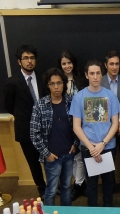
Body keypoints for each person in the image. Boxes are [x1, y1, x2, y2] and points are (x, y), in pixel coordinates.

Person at [70, 60, 119, 207]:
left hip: (108, 146)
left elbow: (115, 124)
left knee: (108, 182)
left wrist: (102, 145)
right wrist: (91, 147)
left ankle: (108, 209)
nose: (95, 76)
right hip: (88, 148)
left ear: (101, 74)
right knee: (91, 183)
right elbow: (76, 127)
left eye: (98, 73)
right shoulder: (79, 97)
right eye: (92, 73)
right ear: (86, 75)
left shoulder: (110, 96)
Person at [30, 68, 78, 206]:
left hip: (68, 154)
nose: (56, 87)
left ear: (64, 84)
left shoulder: (70, 102)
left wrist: (75, 144)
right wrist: (46, 154)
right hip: (52, 157)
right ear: (48, 85)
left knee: (67, 188)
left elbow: (77, 126)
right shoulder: (40, 105)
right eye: (52, 84)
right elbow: (34, 133)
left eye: (59, 83)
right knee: (51, 190)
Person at [3, 45, 46, 197]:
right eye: (26, 58)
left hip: (45, 129)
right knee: (33, 163)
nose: (29, 61)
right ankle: (42, 189)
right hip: (25, 130)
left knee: (48, 160)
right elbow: (9, 106)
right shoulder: (12, 82)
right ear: (19, 62)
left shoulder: (42, 78)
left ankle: (52, 185)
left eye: (32, 58)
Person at [58, 50, 86, 201]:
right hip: (64, 124)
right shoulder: (58, 82)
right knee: (70, 155)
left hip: (81, 123)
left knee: (80, 155)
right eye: (64, 63)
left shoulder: (80, 81)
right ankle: (74, 183)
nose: (67, 66)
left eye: (69, 63)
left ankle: (80, 184)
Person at [101, 50, 120, 191]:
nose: (114, 67)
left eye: (117, 64)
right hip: (106, 131)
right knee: (108, 160)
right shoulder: (99, 81)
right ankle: (110, 187)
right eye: (111, 64)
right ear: (106, 65)